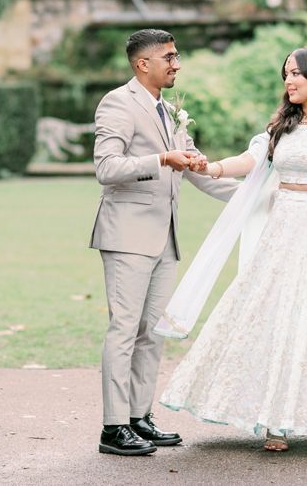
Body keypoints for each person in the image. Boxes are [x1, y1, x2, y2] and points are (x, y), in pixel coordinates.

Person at [159, 47, 307, 451]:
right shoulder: (281, 128)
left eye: (297, 74)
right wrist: (208, 166)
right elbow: (250, 162)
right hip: (283, 228)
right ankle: (275, 422)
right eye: (285, 74)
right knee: (273, 313)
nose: (289, 81)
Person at [89, 28, 238, 455]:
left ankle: (139, 417)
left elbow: (196, 172)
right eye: (170, 57)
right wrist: (161, 159)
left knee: (151, 332)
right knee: (124, 330)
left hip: (165, 238)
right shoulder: (118, 102)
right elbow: (106, 167)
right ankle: (113, 428)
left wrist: (258, 196)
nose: (177, 64)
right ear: (143, 64)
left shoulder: (169, 110)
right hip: (127, 235)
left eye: (176, 57)